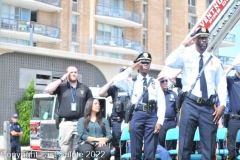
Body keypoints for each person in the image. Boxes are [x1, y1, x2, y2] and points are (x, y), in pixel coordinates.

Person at [165, 27, 227, 160]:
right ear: (195, 39)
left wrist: (222, 104)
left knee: (209, 148)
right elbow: (169, 62)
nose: (204, 40)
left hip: (208, 107)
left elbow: (221, 84)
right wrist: (184, 45)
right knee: (185, 146)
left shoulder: (215, 60)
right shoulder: (186, 56)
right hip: (190, 104)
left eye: (206, 37)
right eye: (201, 37)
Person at [110, 52, 166, 160]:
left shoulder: (155, 82)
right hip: (137, 115)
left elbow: (162, 102)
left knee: (151, 152)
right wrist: (131, 68)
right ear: (138, 64)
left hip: (152, 115)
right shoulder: (131, 81)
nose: (146, 64)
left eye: (148, 62)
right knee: (135, 152)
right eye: (143, 62)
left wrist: (160, 121)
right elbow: (115, 80)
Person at [45, 65, 93, 160]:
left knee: (77, 150)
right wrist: (62, 79)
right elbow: (48, 89)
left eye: (75, 72)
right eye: (71, 72)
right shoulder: (61, 87)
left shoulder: (84, 88)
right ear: (67, 74)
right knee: (64, 150)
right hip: (65, 123)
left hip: (80, 123)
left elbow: (91, 105)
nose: (74, 74)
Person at [98, 67, 132, 160]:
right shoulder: (114, 88)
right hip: (117, 120)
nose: (125, 77)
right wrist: (112, 81)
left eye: (127, 74)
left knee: (131, 145)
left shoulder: (133, 87)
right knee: (118, 146)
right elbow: (101, 93)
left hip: (130, 120)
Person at [224, 54, 240, 160]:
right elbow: (221, 77)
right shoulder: (231, 80)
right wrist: (231, 67)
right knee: (232, 149)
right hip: (234, 119)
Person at [158, 76, 178, 151]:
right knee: (160, 145)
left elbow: (177, 111)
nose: (165, 83)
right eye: (162, 81)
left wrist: (178, 124)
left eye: (166, 81)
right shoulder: (157, 94)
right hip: (161, 123)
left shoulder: (173, 94)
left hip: (171, 122)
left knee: (172, 146)